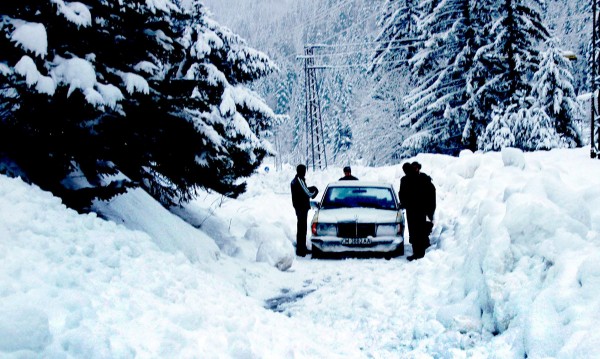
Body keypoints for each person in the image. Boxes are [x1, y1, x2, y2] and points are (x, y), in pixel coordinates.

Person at [399, 161, 436, 261]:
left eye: (416, 168)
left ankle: (419, 252)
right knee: (414, 231)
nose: (415, 169)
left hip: (420, 209)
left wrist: (430, 209)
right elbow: (402, 194)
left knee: (419, 230)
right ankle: (418, 251)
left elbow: (431, 193)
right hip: (412, 209)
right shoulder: (406, 179)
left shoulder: (423, 178)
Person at [290, 164, 318, 257]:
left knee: (302, 228)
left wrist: (310, 188)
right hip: (301, 208)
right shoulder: (299, 180)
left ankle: (302, 248)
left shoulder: (298, 180)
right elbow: (307, 193)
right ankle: (301, 249)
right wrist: (314, 191)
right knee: (302, 228)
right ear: (302, 171)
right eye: (304, 170)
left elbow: (303, 190)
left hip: (300, 207)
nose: (305, 172)